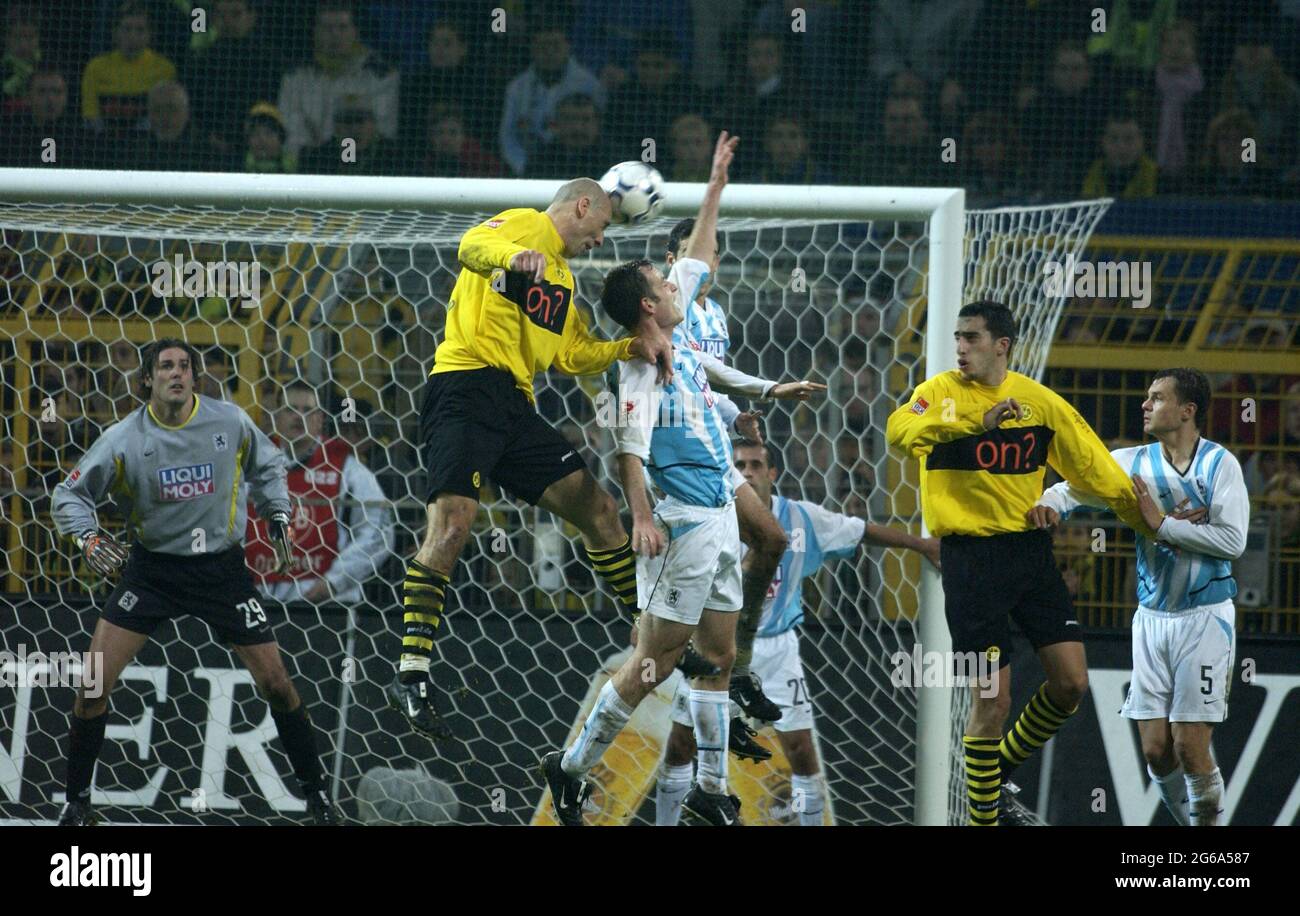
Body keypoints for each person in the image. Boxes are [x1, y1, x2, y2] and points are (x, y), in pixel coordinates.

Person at [386, 174, 673, 742]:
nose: (602, 238)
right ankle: (412, 671)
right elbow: (470, 245)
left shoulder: (562, 280)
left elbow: (571, 355)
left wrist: (626, 348)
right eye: (604, 225)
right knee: (453, 527)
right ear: (583, 204)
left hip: (515, 406)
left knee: (598, 508)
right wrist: (513, 254)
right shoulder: (525, 225)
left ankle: (647, 633)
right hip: (465, 388)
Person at [542, 132, 747, 827]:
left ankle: (711, 789)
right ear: (649, 307)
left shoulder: (679, 314)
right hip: (681, 517)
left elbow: (700, 253)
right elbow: (627, 445)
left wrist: (714, 184)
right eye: (663, 283)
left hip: (719, 508)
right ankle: (571, 770)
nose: (676, 279)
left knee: (719, 653)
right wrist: (641, 517)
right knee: (651, 665)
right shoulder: (634, 368)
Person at [885, 300, 1156, 826]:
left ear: (1002, 345)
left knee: (1071, 684)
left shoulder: (1040, 403)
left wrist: (1154, 524)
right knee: (994, 700)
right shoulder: (938, 393)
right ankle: (984, 818)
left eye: (972, 338)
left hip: (1029, 554)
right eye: (958, 337)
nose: (961, 347)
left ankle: (992, 771)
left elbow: (1095, 469)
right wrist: (971, 422)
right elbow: (900, 432)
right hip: (970, 560)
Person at [50, 339, 339, 826]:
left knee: (275, 682)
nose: (177, 374)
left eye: (185, 366)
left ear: (194, 378)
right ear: (147, 380)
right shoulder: (124, 438)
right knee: (93, 685)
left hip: (220, 571)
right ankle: (77, 805)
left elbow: (268, 466)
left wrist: (276, 510)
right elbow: (68, 494)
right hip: (152, 571)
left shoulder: (228, 421)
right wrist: (89, 539)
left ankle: (318, 801)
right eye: (165, 366)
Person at [655, 438, 939, 826]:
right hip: (716, 648)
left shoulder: (802, 519)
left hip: (776, 650)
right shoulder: (712, 518)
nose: (749, 471)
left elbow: (861, 530)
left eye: (757, 464)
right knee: (681, 745)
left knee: (802, 750)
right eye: (740, 465)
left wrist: (921, 544)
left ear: (772, 473)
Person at [1030, 369, 1248, 826]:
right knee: (1155, 751)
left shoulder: (1219, 465)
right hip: (1151, 619)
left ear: (1187, 411)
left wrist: (1162, 524)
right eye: (1147, 397)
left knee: (1190, 746)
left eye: (1157, 398)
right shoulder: (1132, 461)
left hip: (1205, 618)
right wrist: (1052, 500)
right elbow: (1077, 486)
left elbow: (1233, 541)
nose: (1145, 405)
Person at [661, 214, 828, 733]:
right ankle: (696, 657)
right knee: (709, 566)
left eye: (713, 254)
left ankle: (736, 661)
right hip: (678, 456)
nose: (707, 262)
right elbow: (679, 373)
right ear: (673, 261)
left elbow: (707, 380)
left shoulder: (716, 319)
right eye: (696, 252)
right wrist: (767, 390)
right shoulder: (667, 311)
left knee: (771, 540)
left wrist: (736, 416)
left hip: (714, 448)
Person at [246, 381, 394, 605]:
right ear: (276, 417)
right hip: (262, 602)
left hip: (329, 604)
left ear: (320, 419)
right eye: (291, 409)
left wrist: (333, 582)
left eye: (308, 411)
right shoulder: (256, 465)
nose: (299, 417)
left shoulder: (347, 469)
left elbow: (379, 534)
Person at [276, 0, 398, 158]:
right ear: (315, 32)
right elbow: (289, 133)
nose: (335, 35)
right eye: (327, 28)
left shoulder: (379, 76)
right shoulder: (295, 78)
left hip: (366, 166)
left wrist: (347, 157)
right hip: (310, 167)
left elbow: (383, 130)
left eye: (342, 27)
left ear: (355, 31)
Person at [498, 18, 604, 176]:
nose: (549, 52)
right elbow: (508, 137)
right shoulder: (516, 88)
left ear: (568, 46)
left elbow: (598, 131)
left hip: (583, 168)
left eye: (555, 45)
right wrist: (527, 169)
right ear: (532, 48)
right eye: (542, 46)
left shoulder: (590, 84)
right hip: (530, 170)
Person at [81, 1, 176, 141]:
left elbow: (165, 118)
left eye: (140, 30)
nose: (132, 37)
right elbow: (90, 115)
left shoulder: (165, 69)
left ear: (150, 34)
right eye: (126, 29)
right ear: (115, 33)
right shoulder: (95, 67)